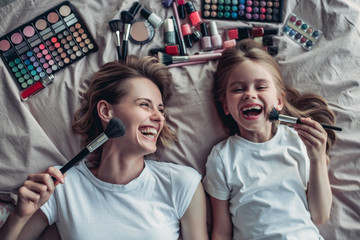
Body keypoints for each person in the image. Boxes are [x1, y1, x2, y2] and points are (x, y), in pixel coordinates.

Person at [0, 55, 208, 240]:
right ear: (106, 111)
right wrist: (19, 216)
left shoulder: (181, 184)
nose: (158, 117)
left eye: (161, 110)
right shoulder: (61, 185)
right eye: (145, 105)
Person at [203, 39, 337, 240]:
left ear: (279, 101)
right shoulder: (222, 158)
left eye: (261, 87)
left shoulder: (298, 141)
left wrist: (317, 158)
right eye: (238, 89)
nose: (249, 94)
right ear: (225, 106)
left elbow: (320, 216)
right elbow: (221, 232)